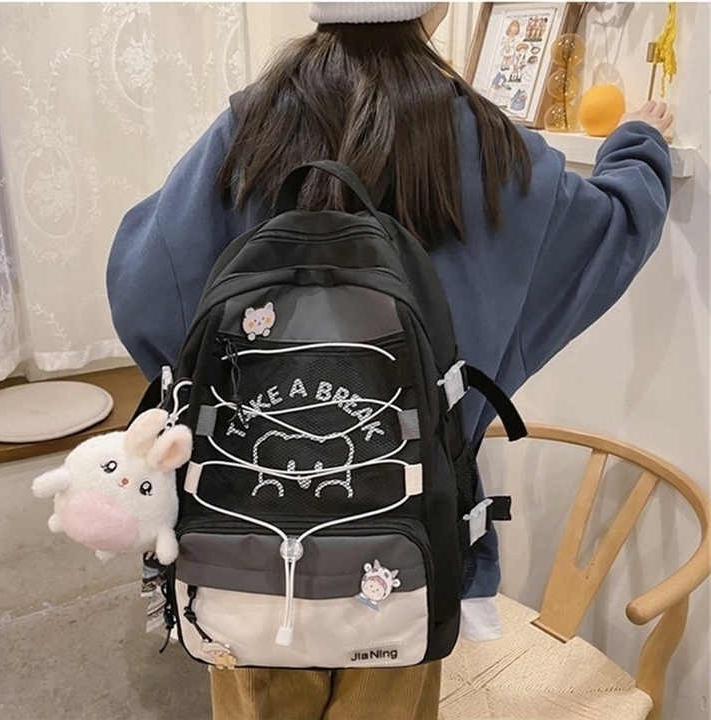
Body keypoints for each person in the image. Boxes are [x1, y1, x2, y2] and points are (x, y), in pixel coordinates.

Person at [106, 3, 673, 719]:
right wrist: (639, 144)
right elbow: (609, 230)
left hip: (245, 519)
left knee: (256, 687)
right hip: (412, 528)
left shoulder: (250, 125)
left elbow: (143, 286)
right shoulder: (487, 142)